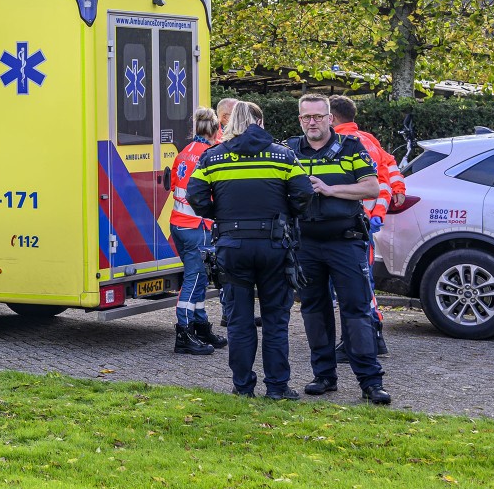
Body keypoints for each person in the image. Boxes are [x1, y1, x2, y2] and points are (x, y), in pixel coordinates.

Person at [185, 101, 312, 399]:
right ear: (260, 123)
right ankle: (278, 388)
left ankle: (243, 387)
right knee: (275, 320)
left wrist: (222, 217)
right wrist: (286, 214)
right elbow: (304, 193)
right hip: (274, 247)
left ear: (228, 124)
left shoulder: (213, 157)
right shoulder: (283, 156)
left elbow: (195, 195)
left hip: (232, 247)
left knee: (240, 322)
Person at [287, 93, 392, 405]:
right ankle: (323, 376)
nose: (312, 122)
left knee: (356, 311)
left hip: (345, 242)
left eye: (318, 116)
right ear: (300, 119)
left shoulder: (351, 148)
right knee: (313, 311)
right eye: (306, 117)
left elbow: (371, 186)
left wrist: (332, 189)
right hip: (305, 244)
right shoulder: (289, 150)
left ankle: (370, 382)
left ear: (330, 118)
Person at [330, 95, 401, 356]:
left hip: (346, 222)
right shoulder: (369, 140)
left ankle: (356, 342)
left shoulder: (336, 145)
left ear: (332, 118)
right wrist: (391, 196)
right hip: (366, 223)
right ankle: (374, 335)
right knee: (363, 282)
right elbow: (387, 172)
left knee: (349, 286)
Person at [168, 107, 224, 355]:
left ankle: (200, 325)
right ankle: (184, 332)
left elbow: (174, 188)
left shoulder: (184, 153)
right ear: (215, 129)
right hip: (198, 226)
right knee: (193, 279)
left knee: (199, 278)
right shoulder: (211, 155)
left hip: (179, 224)